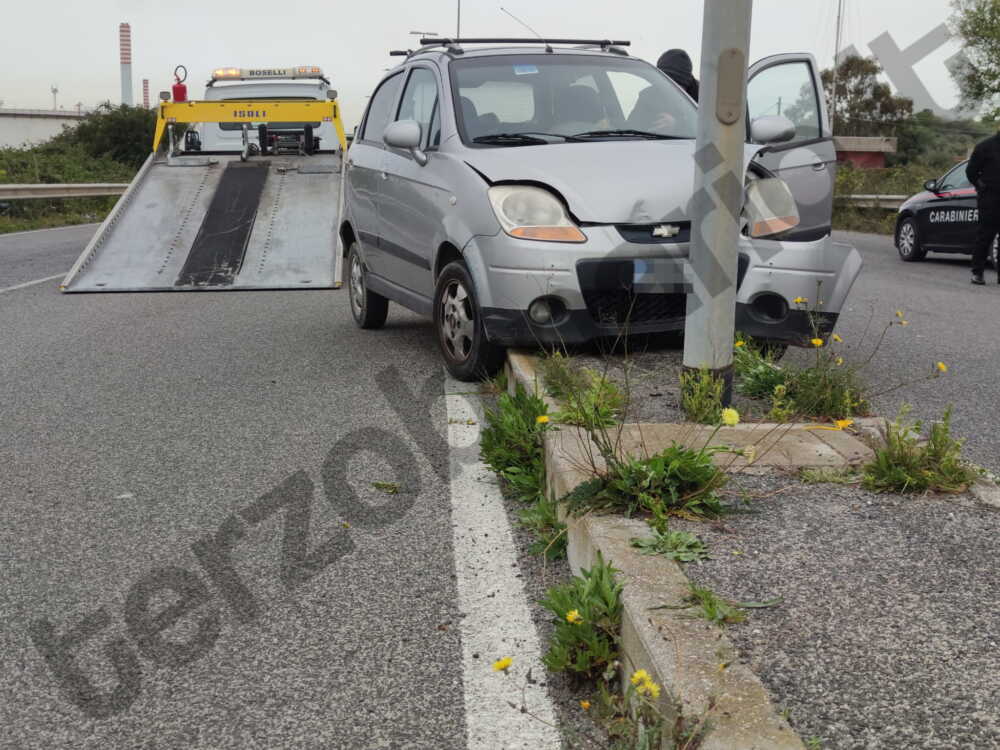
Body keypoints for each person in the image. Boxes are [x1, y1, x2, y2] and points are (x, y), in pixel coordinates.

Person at [966, 132, 1000, 284]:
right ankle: (977, 273)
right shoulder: (985, 146)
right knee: (985, 235)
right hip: (990, 198)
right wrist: (981, 187)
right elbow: (970, 172)